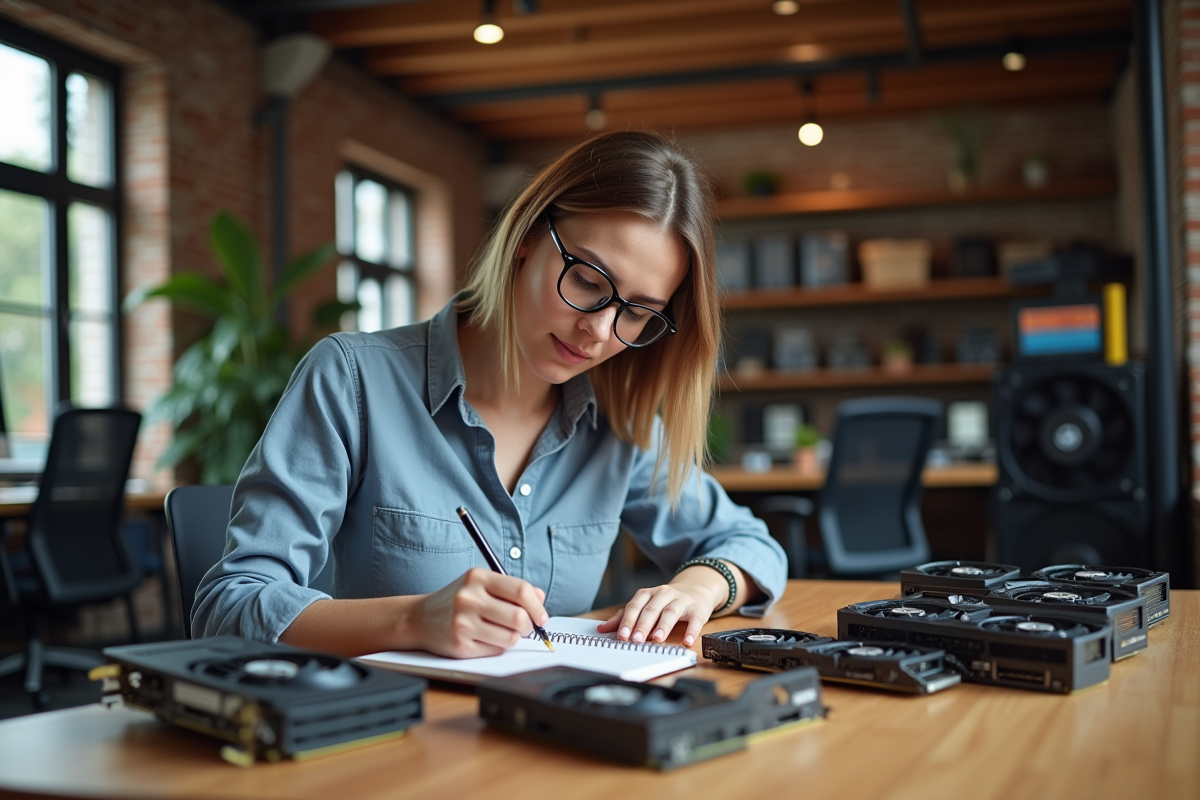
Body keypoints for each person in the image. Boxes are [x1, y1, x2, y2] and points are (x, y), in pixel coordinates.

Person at [192, 130, 787, 658]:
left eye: (638, 312)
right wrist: (412, 618)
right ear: (527, 236)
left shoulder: (617, 421)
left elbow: (749, 543)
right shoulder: (353, 380)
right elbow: (230, 603)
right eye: (587, 280)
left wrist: (697, 587)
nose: (600, 331)